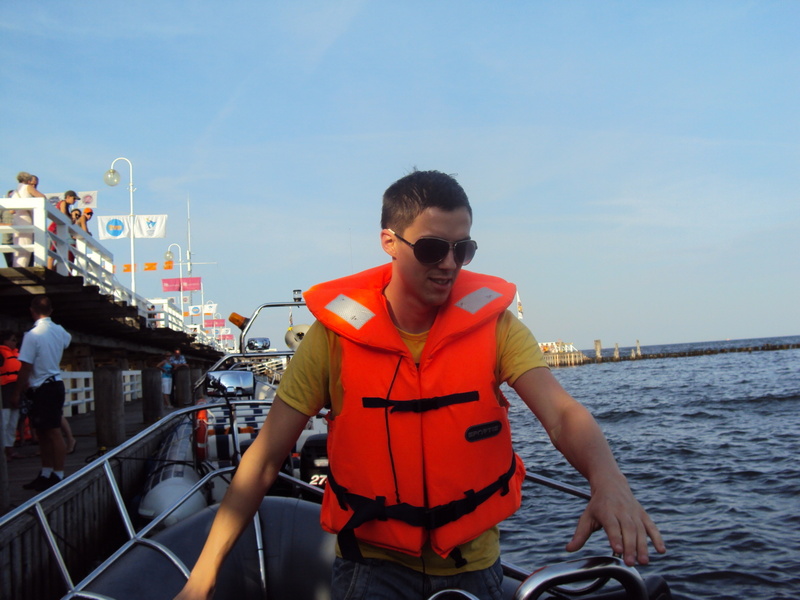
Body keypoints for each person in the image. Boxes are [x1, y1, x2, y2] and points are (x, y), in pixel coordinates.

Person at [175, 170, 665, 600]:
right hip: (371, 569)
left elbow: (561, 414)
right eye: (432, 248)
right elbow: (264, 458)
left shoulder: (496, 328)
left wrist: (608, 481)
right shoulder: (332, 340)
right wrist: (205, 574)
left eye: (462, 249)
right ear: (389, 241)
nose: (449, 263)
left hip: (473, 566)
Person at [11, 295, 72, 492]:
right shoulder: (60, 330)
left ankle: (58, 474)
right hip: (55, 383)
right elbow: (67, 342)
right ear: (51, 311)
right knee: (43, 432)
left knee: (52, 432)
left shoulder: (32, 335)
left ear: (32, 311)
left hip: (42, 386)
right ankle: (47, 473)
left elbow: (25, 367)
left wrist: (17, 392)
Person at [10, 172, 46, 267]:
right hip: (25, 218)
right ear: (28, 180)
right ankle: (23, 267)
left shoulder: (15, 191)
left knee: (18, 244)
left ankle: (17, 266)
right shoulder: (28, 187)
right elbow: (42, 197)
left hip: (16, 218)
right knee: (26, 244)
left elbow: (11, 211)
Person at [1, 330, 22, 461]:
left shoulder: (17, 354)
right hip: (4, 392)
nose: (15, 342)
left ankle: (10, 449)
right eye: (13, 340)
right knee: (4, 422)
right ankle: (3, 451)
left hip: (16, 391)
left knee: (13, 422)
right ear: (5, 341)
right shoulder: (1, 354)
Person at [47, 190, 79, 270]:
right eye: (74, 198)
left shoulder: (66, 205)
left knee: (58, 254)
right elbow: (63, 213)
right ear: (68, 197)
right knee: (52, 253)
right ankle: (49, 272)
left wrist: (72, 218)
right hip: (55, 229)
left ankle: (52, 271)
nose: (75, 201)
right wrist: (71, 219)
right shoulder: (63, 202)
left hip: (59, 231)